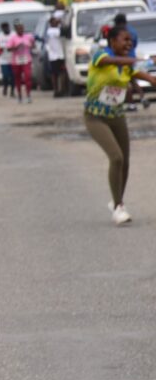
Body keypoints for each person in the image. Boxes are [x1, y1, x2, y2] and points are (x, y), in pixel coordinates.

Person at [83, 25, 156, 226]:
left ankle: (117, 202)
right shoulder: (101, 57)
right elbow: (113, 61)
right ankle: (118, 207)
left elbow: (145, 76)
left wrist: (150, 77)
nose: (129, 43)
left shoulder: (126, 66)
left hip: (116, 116)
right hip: (95, 117)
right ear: (112, 41)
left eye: (130, 41)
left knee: (126, 162)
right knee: (116, 157)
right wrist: (137, 60)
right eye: (124, 40)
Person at [7, 22, 35, 103]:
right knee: (17, 78)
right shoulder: (13, 38)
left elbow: (33, 45)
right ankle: (19, 95)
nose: (21, 30)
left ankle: (28, 94)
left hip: (26, 59)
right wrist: (16, 47)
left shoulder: (28, 36)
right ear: (16, 30)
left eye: (22, 28)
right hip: (16, 61)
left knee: (28, 77)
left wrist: (31, 45)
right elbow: (9, 49)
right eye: (19, 29)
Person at [44, 16, 68, 98]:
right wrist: (61, 22)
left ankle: (61, 90)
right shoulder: (51, 31)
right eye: (54, 21)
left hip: (60, 54)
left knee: (62, 73)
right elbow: (63, 32)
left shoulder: (55, 30)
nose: (56, 22)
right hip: (54, 56)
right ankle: (56, 90)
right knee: (55, 74)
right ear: (51, 23)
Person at [0, 22, 15, 97]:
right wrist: (0, 50)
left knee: (13, 76)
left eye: (6, 27)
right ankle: (5, 87)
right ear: (2, 28)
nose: (5, 29)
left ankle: (12, 91)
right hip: (3, 59)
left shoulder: (13, 35)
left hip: (13, 58)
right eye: (4, 28)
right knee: (5, 75)